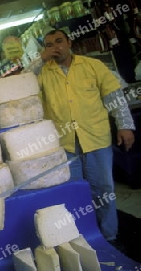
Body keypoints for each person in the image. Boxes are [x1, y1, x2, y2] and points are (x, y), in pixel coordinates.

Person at [35, 28, 136, 243]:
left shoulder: (92, 66)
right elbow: (20, 86)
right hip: (65, 144)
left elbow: (114, 97)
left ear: (69, 42)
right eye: (49, 44)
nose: (55, 47)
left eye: (59, 41)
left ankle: (110, 235)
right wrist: (38, 61)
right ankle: (83, 237)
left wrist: (125, 125)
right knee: (74, 193)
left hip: (96, 138)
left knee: (104, 189)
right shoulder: (42, 73)